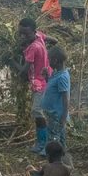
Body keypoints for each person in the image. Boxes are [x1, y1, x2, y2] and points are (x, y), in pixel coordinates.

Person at [16, 18, 53, 152]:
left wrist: (12, 62)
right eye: (20, 34)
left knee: (37, 111)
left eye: (25, 34)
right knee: (44, 109)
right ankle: (47, 140)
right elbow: (54, 40)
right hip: (47, 78)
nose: (22, 37)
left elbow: (24, 71)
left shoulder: (33, 48)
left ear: (33, 31)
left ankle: (43, 143)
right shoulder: (39, 36)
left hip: (39, 84)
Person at [40, 44, 71, 158]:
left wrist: (63, 117)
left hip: (56, 114)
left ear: (55, 60)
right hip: (52, 113)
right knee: (59, 134)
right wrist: (46, 77)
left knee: (54, 135)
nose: (48, 62)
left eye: (49, 59)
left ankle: (53, 156)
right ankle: (62, 153)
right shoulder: (56, 73)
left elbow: (65, 98)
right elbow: (52, 87)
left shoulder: (62, 77)